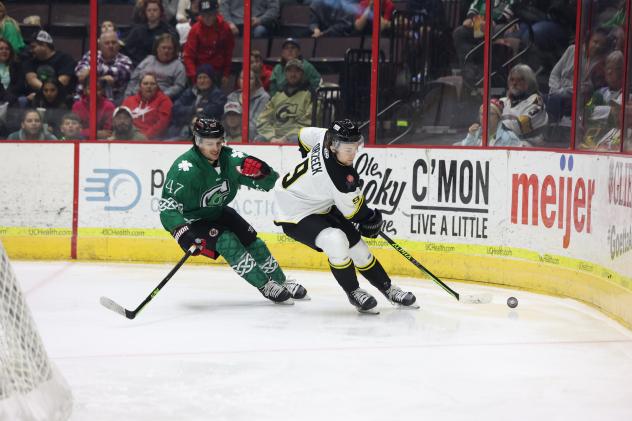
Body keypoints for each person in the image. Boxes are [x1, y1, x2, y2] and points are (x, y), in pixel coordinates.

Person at [272, 119, 417, 313]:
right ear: (333, 146)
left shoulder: (325, 137)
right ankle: (354, 292)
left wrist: (312, 169)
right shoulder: (340, 179)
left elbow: (303, 134)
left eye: (355, 147)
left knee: (358, 248)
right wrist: (372, 219)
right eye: (348, 150)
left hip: (318, 204)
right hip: (293, 212)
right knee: (336, 240)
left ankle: (388, 289)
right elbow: (355, 213)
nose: (353, 154)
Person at [159, 117, 307, 303]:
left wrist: (263, 173)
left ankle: (281, 281)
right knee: (228, 242)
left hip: (218, 211)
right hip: (193, 221)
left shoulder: (231, 159)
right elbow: (167, 206)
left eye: (218, 142)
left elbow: (271, 183)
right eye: (208, 143)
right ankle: (265, 285)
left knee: (254, 243)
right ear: (197, 142)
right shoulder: (185, 169)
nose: (215, 148)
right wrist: (182, 233)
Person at [255, 58, 314, 143]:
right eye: (289, 71)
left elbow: (308, 123)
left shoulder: (309, 95)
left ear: (302, 74)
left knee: (296, 139)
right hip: (275, 137)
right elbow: (262, 120)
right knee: (259, 139)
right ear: (285, 74)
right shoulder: (277, 96)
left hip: (295, 137)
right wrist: (271, 137)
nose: (293, 74)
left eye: (297, 71)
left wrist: (286, 138)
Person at [182, 0, 234, 88]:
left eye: (210, 14)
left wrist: (226, 73)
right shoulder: (195, 29)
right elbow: (188, 56)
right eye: (203, 15)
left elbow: (228, 52)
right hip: (199, 71)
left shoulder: (225, 28)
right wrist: (194, 77)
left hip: (217, 71)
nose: (207, 18)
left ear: (216, 14)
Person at [75, 30, 133, 104]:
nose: (111, 46)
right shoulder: (91, 54)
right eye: (107, 43)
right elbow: (80, 73)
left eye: (114, 42)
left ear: (118, 45)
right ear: (100, 46)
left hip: (113, 103)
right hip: (84, 102)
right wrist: (103, 79)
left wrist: (90, 71)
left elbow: (117, 72)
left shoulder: (126, 60)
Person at [125, 33, 186, 100]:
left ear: (174, 50)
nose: (166, 51)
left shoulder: (178, 66)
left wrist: (161, 97)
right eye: (164, 47)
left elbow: (179, 86)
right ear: (157, 49)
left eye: (170, 48)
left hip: (161, 99)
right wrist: (127, 97)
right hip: (136, 97)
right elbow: (134, 80)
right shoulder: (148, 60)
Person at [498, 64, 548, 146]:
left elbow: (518, 126)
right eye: (512, 80)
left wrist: (496, 123)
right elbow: (486, 119)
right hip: (507, 142)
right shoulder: (504, 101)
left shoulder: (536, 101)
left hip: (530, 147)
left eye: (520, 80)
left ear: (529, 82)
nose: (514, 83)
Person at [171, 63, 226, 131]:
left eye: (205, 77)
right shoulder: (190, 92)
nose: (202, 81)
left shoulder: (219, 95)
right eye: (199, 78)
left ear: (211, 79)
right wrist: (193, 109)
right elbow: (176, 108)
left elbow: (213, 111)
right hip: (182, 128)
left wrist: (192, 115)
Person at [124, 0, 179, 66]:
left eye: (155, 10)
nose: (152, 13)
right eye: (149, 10)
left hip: (164, 65)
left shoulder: (168, 30)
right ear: (145, 12)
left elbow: (174, 50)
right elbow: (128, 50)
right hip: (140, 65)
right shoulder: (137, 31)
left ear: (160, 12)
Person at [24, 30, 77, 96]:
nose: (30, 50)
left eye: (33, 47)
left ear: (44, 45)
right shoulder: (30, 61)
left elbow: (63, 81)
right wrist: (46, 93)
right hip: (38, 97)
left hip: (60, 97)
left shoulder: (65, 59)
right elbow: (31, 80)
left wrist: (47, 92)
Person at [121, 72, 173, 139]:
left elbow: (162, 123)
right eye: (145, 84)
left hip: (154, 139)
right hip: (130, 137)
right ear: (140, 86)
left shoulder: (164, 101)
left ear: (157, 86)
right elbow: (121, 120)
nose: (149, 86)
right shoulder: (128, 101)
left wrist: (144, 137)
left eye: (152, 84)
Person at [227, 69, 269, 139]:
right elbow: (227, 122)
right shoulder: (232, 96)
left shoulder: (264, 97)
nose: (246, 81)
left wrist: (235, 125)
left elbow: (256, 124)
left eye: (250, 78)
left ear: (256, 81)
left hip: (253, 137)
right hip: (232, 136)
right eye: (242, 78)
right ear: (238, 80)